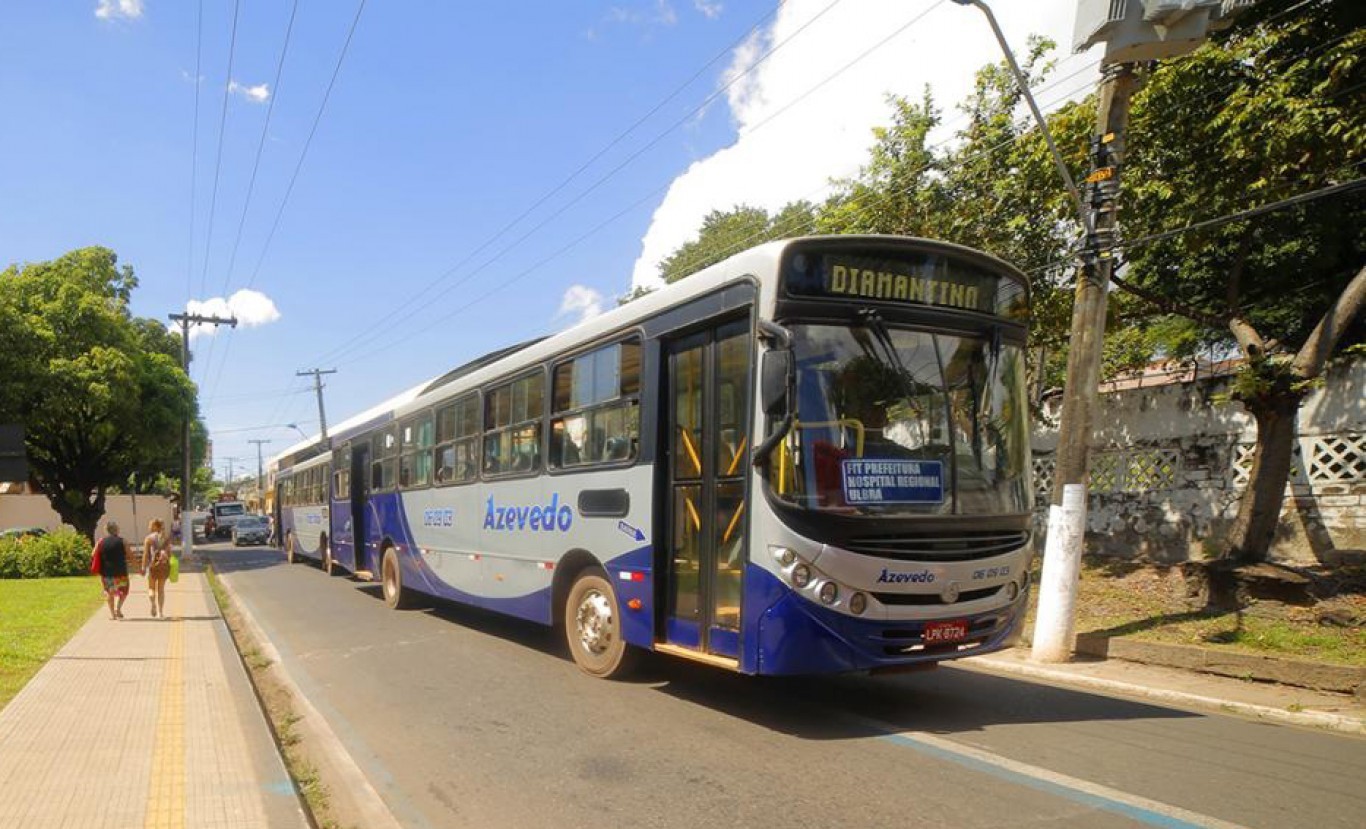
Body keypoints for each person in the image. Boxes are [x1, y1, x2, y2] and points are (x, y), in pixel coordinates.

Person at [92, 521, 131, 620]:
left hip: (106, 572)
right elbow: (130, 555)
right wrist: (138, 567)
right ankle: (118, 609)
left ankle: (113, 615)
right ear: (116, 530)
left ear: (106, 530)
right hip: (121, 571)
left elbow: (93, 554)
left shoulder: (100, 542)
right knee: (124, 591)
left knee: (110, 592)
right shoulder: (123, 541)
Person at [142, 518, 172, 619]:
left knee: (151, 589)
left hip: (152, 567)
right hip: (163, 566)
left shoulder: (148, 538)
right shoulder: (166, 538)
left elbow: (145, 554)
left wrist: (143, 567)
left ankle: (153, 604)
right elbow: (170, 554)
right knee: (161, 590)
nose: (149, 527)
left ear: (154, 526)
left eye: (150, 525)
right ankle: (160, 613)